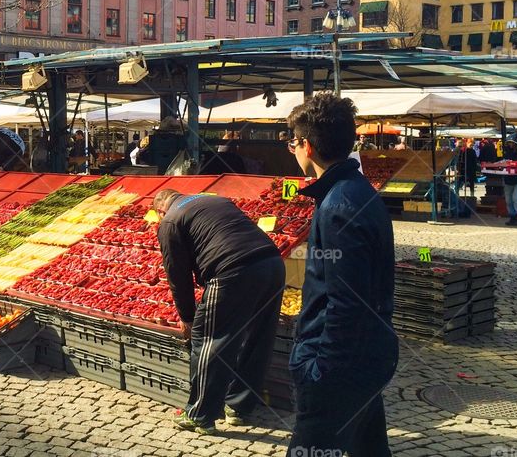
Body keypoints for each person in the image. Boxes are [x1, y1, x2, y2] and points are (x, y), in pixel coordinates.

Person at [285, 92, 398, 455]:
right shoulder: (355, 191)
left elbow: (347, 301)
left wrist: (321, 369)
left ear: (306, 146)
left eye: (293, 142)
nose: (293, 149)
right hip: (365, 353)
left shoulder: (338, 205)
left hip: (341, 364)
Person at [153, 188, 284, 436]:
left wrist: (187, 317)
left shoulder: (170, 221)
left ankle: (200, 414)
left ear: (161, 211)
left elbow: (177, 275)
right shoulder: (214, 200)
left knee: (208, 338)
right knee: (257, 337)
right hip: (272, 262)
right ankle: (239, 407)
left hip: (231, 270)